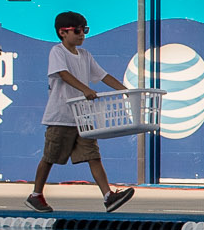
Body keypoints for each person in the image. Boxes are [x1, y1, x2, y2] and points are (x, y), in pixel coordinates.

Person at [28, 11, 137, 214]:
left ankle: (108, 196)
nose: (82, 35)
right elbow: (63, 74)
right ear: (63, 32)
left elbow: (103, 76)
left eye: (84, 30)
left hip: (83, 117)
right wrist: (84, 89)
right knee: (49, 157)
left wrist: (126, 91)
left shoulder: (85, 56)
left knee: (93, 156)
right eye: (77, 31)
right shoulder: (57, 52)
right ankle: (36, 195)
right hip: (61, 116)